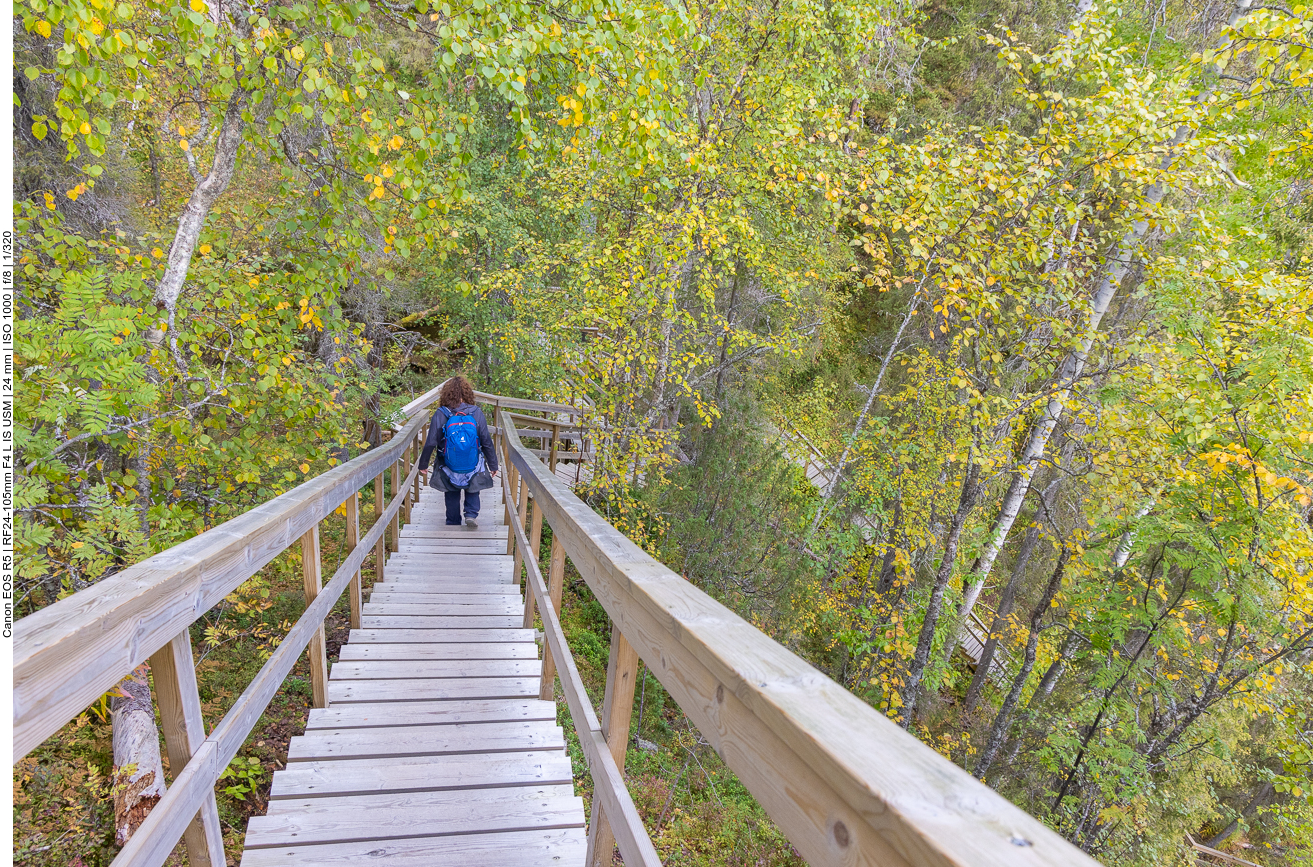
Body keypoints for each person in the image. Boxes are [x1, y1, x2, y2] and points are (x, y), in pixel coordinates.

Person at [417, 375, 499, 527]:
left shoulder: (441, 413)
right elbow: (486, 440)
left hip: (447, 460)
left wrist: (423, 464)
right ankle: (471, 514)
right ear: (467, 394)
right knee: (473, 480)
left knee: (451, 487)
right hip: (472, 458)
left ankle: (453, 520)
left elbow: (431, 442)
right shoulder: (476, 412)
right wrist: (493, 465)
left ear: (446, 394)